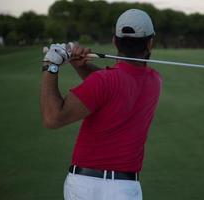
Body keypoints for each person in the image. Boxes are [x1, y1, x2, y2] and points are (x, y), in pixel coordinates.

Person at [40, 9, 161, 200]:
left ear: (114, 40)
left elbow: (52, 118)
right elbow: (112, 86)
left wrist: (50, 65)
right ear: (150, 42)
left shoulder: (104, 82)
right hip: (125, 189)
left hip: (84, 187)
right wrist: (82, 65)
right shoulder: (155, 81)